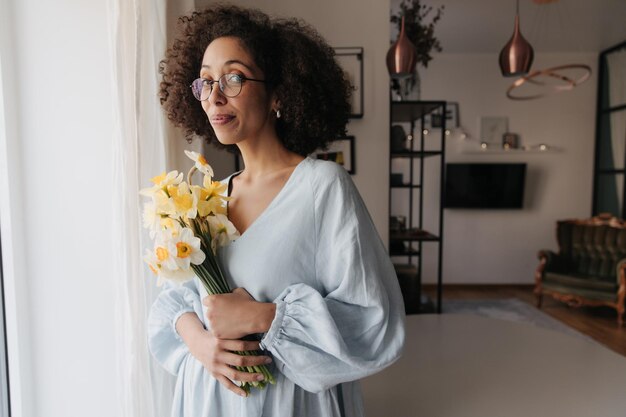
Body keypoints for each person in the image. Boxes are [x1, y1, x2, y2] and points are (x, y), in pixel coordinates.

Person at [148, 4, 406, 417]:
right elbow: (173, 300)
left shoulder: (323, 187)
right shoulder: (208, 196)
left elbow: (376, 322)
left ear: (279, 93)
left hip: (289, 404)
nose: (215, 95)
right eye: (206, 81)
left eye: (233, 78)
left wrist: (263, 316)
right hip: (206, 399)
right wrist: (201, 343)